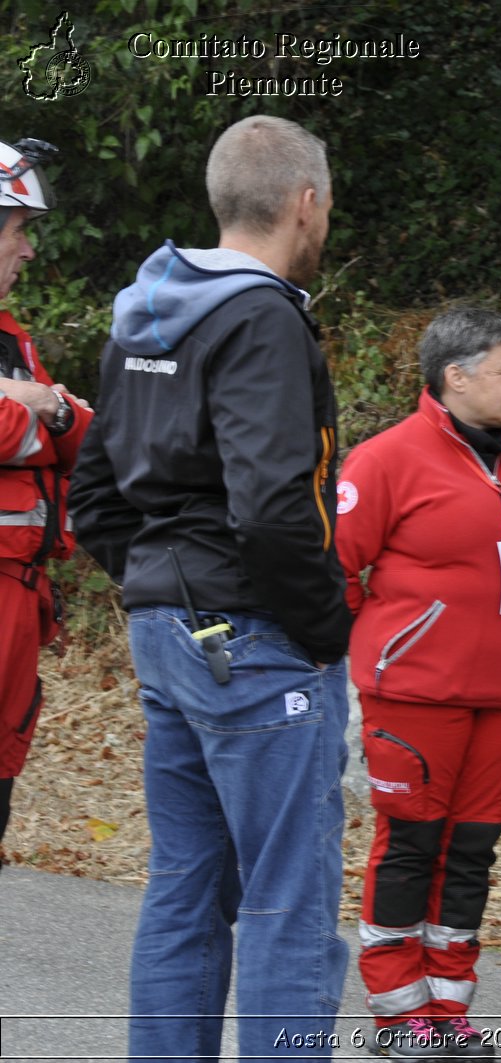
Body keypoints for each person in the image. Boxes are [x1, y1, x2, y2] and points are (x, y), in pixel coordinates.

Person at [70, 115, 351, 1062]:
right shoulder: (263, 316)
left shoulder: (147, 307)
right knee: (287, 901)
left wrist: (158, 589)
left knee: (185, 887)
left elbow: (95, 492)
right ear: (304, 204)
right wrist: (324, 627)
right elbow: (276, 506)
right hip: (256, 643)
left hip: (169, 636)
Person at [335, 308, 501, 1059]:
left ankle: (448, 1007)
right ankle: (398, 1014)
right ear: (455, 375)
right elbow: (334, 571)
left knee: (471, 852)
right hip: (415, 695)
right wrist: (387, 644)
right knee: (410, 845)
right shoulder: (384, 459)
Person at [0, 136, 92, 863]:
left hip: (20, 601)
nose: (27, 251)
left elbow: (80, 435)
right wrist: (40, 410)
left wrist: (43, 404)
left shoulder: (13, 342)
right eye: (18, 230)